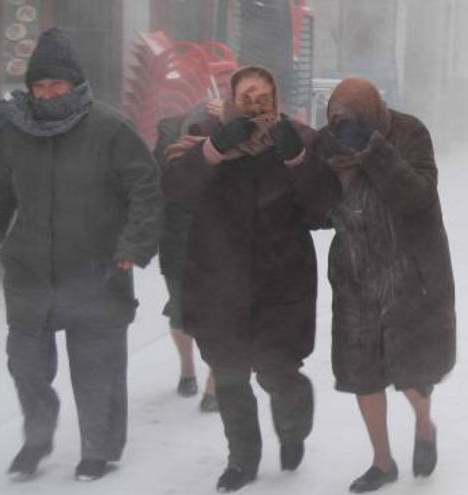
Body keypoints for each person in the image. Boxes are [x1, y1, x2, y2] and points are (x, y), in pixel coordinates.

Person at [0, 28, 162, 482]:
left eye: (56, 84)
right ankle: (37, 440)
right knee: (25, 363)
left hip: (97, 267)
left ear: (75, 84)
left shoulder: (110, 128)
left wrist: (133, 245)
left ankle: (99, 447)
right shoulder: (15, 131)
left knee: (97, 369)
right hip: (32, 270)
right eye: (39, 85)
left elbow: (146, 188)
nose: (47, 93)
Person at [285, 78, 456, 492]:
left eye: (353, 119)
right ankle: (382, 461)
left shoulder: (410, 133)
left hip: (408, 275)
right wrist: (297, 163)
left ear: (375, 113)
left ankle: (423, 423)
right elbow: (315, 212)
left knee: (412, 374)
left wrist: (372, 149)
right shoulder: (328, 145)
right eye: (337, 119)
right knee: (365, 376)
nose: (342, 126)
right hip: (355, 280)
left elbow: (418, 197)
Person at [161, 65, 322, 493]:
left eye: (262, 98)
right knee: (230, 377)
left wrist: (297, 158)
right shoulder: (205, 134)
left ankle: (292, 431)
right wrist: (214, 148)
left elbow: (324, 210)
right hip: (219, 281)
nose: (254, 106)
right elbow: (175, 190)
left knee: (278, 374)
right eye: (245, 97)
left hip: (282, 282)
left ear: (277, 101)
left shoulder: (299, 138)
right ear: (231, 99)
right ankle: (243, 461)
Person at [153, 99, 224, 412]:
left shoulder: (236, 133)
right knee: (181, 310)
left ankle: (213, 383)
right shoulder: (170, 136)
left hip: (224, 237)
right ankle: (187, 370)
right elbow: (156, 184)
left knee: (220, 313)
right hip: (178, 236)